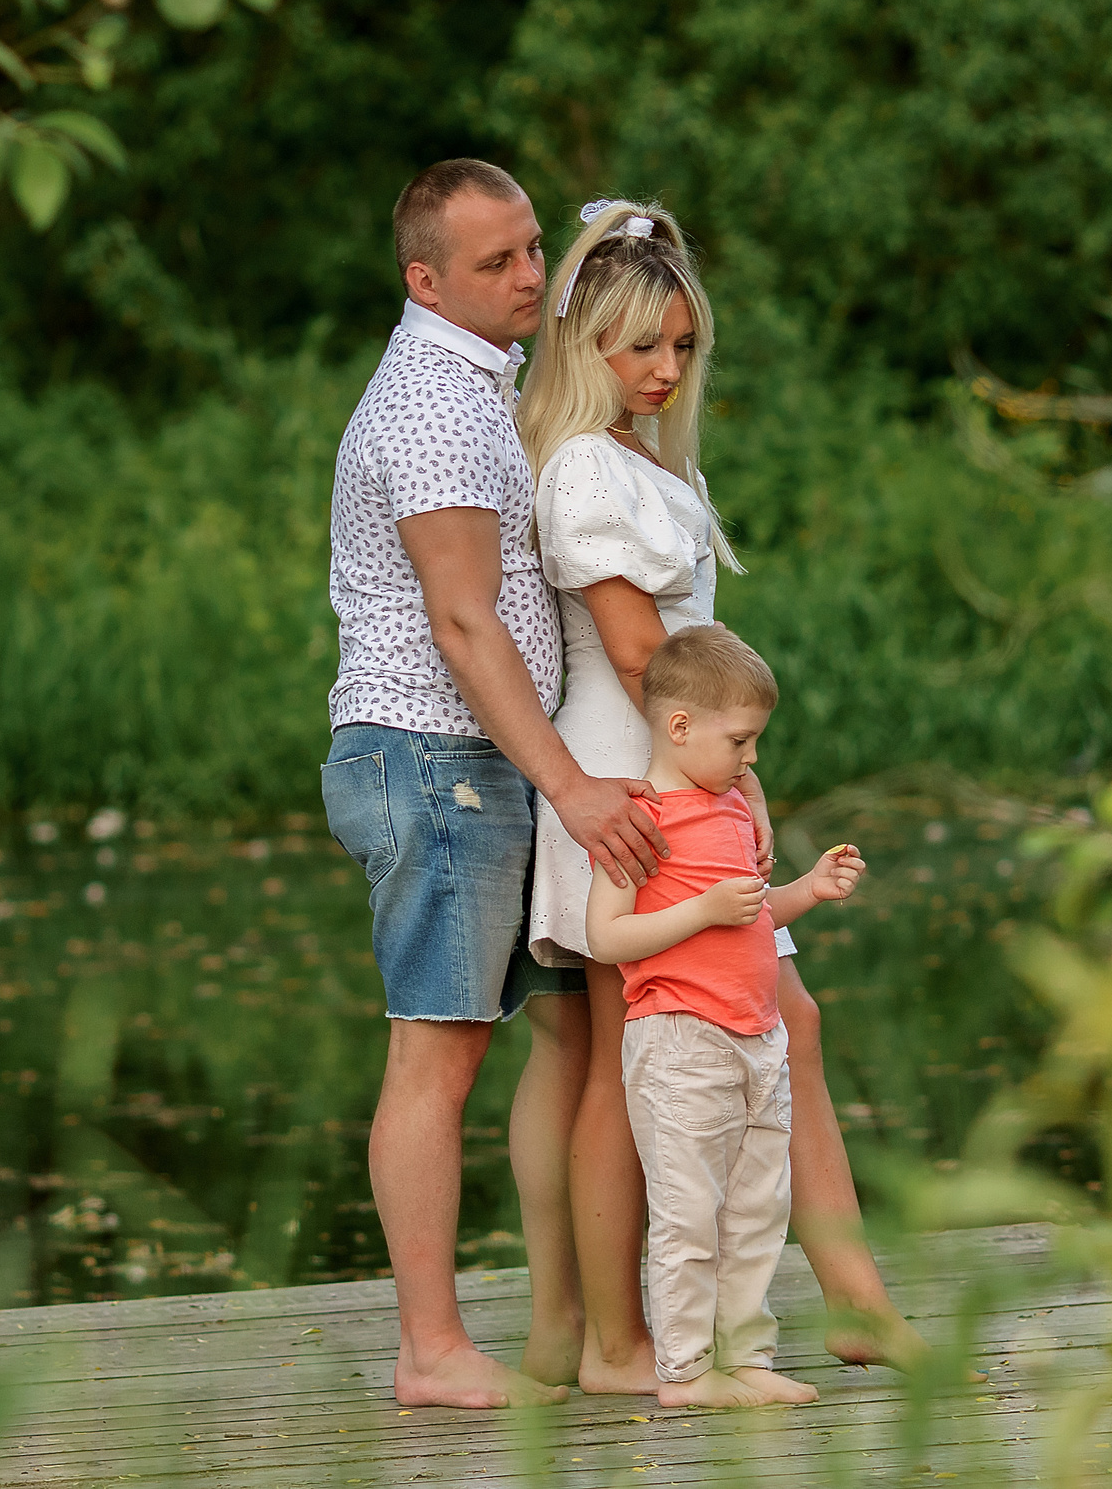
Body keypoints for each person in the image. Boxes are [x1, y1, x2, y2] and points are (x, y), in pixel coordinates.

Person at [510, 198, 947, 1392]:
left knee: (773, 1026)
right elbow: (647, 657)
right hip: (642, 779)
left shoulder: (651, 464)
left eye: (683, 346)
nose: (663, 368)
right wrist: (726, 777)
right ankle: (617, 1341)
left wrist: (740, 777)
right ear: (583, 345)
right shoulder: (586, 473)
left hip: (701, 765)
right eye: (639, 345)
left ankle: (849, 1301)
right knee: (627, 1052)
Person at [321, 159, 667, 1410]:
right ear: (425, 281)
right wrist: (574, 785)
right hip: (432, 759)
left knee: (565, 1029)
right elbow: (464, 626)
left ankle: (569, 1328)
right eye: (497, 263)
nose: (531, 277)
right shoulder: (429, 404)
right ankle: (431, 1351)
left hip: (474, 762)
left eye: (532, 250)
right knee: (438, 1053)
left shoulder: (483, 384)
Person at [583, 622, 867, 1408]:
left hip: (755, 1038)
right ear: (679, 727)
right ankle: (684, 1371)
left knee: (755, 1211)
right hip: (679, 1040)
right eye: (741, 741)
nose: (751, 760)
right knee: (689, 1214)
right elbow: (605, 936)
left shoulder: (732, 814)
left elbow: (751, 915)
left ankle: (745, 1357)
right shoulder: (640, 822)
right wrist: (704, 907)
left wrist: (808, 889)